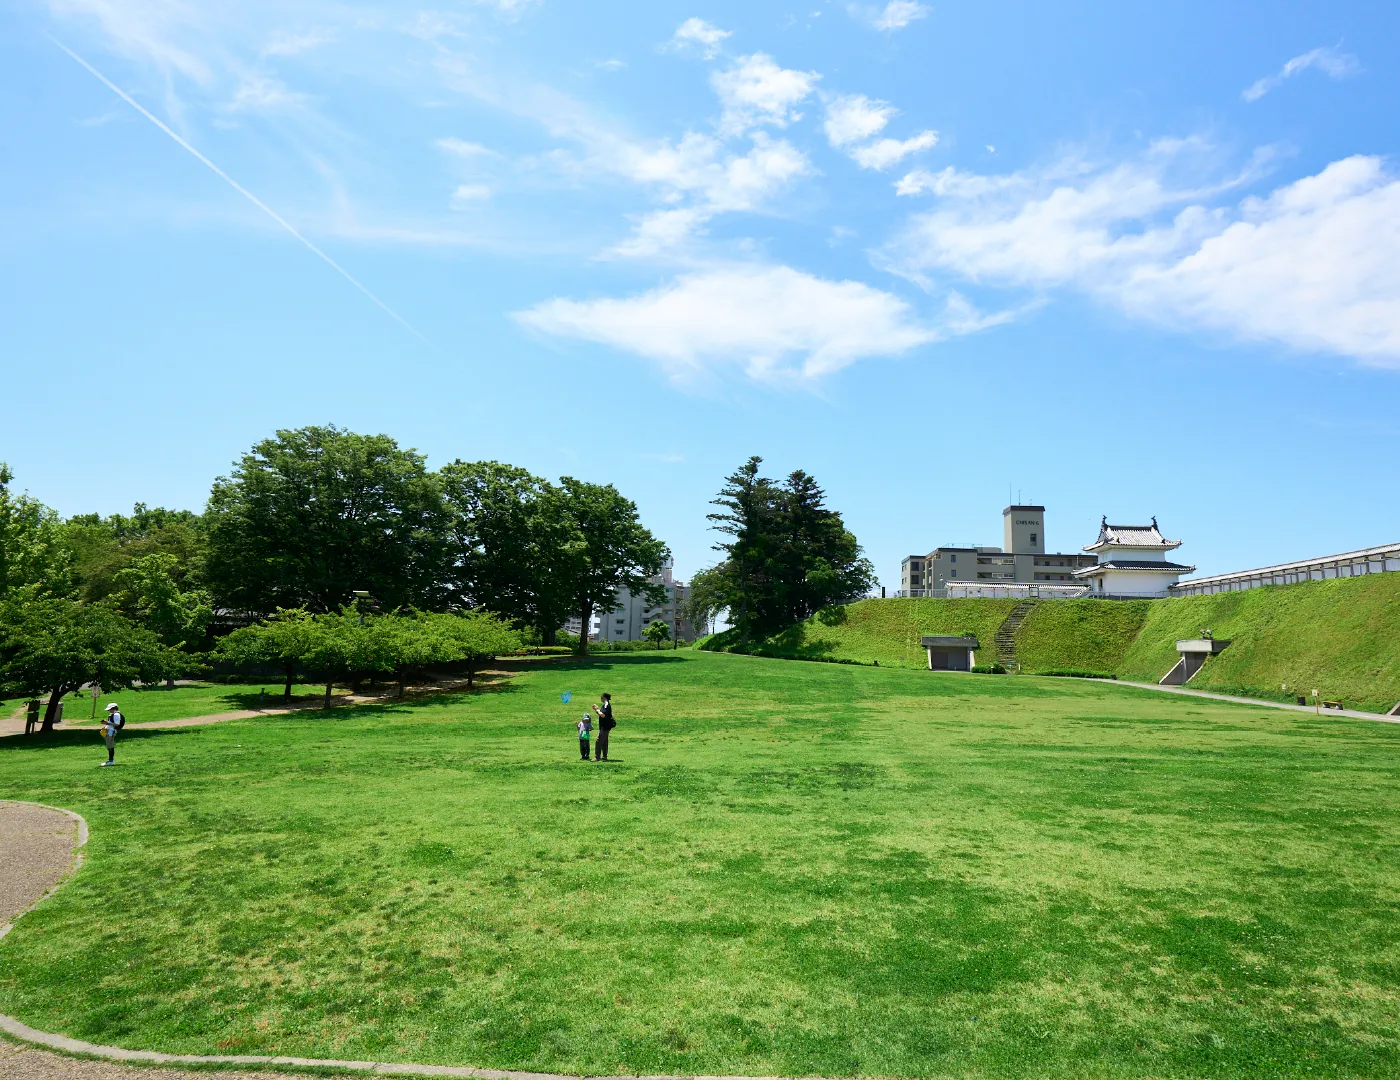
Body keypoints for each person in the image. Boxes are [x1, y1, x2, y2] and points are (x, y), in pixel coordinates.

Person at [99, 702, 125, 767]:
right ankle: (110, 760)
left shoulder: (116, 715)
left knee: (110, 746)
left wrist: (107, 723)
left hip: (111, 732)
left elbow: (117, 724)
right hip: (109, 731)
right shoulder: (113, 714)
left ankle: (111, 761)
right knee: (109, 746)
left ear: (113, 708)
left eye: (109, 709)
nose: (108, 711)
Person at [592, 693, 615, 762]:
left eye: (601, 697)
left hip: (605, 727)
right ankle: (604, 756)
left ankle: (597, 757)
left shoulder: (606, 705)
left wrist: (597, 709)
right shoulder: (606, 704)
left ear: (604, 698)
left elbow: (603, 715)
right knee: (604, 742)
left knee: (598, 742)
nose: (600, 698)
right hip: (605, 726)